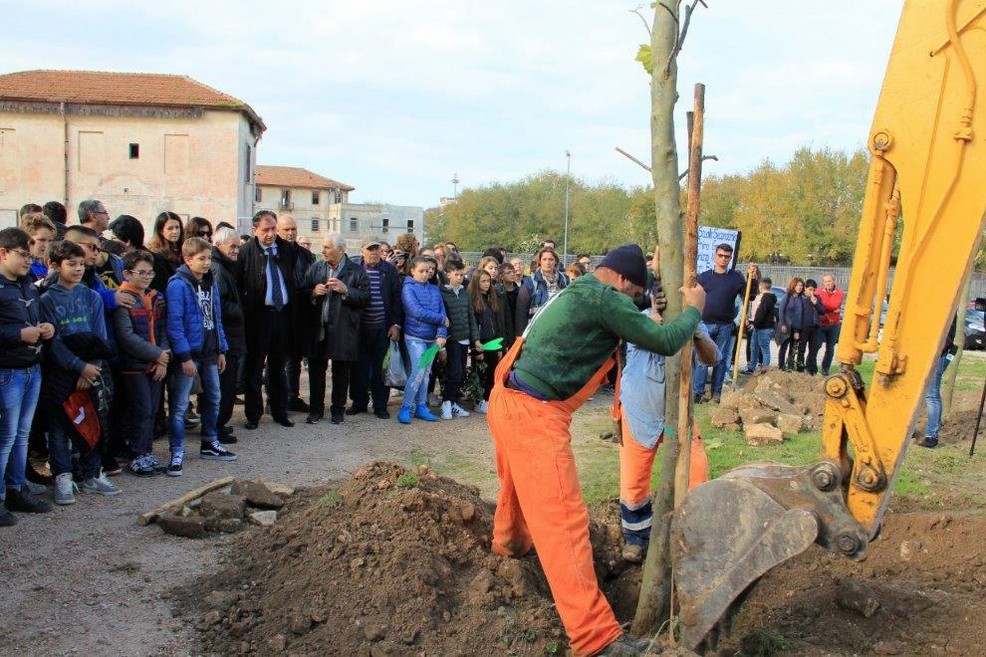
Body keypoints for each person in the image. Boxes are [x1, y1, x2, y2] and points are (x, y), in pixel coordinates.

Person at [488, 243, 705, 657]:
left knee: (516, 488)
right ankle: (596, 639)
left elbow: (628, 316)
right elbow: (664, 340)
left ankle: (507, 545)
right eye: (633, 295)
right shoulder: (607, 299)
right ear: (622, 281)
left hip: (508, 400)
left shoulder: (581, 288)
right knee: (564, 523)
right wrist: (693, 308)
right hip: (535, 415)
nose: (632, 303)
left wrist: (647, 299)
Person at [617, 296, 718, 563]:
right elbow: (660, 339)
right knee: (634, 478)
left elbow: (712, 358)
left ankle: (695, 534)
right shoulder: (640, 320)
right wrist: (660, 322)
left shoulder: (692, 320)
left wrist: (696, 334)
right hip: (641, 411)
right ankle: (636, 539)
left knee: (697, 471)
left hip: (679, 418)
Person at [40, 240, 120, 504]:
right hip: (62, 371)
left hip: (91, 370)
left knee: (93, 421)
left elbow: (100, 337)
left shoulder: (92, 296)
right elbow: (54, 342)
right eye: (71, 264)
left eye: (81, 265)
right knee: (60, 425)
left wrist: (92, 368)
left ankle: (92, 473)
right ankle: (63, 475)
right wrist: (78, 367)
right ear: (55, 266)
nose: (77, 269)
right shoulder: (47, 299)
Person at [165, 237, 233, 476]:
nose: (207, 264)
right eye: (202, 259)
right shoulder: (177, 285)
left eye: (209, 259)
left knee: (214, 397)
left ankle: (209, 442)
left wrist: (221, 348)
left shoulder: (210, 282)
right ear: (188, 259)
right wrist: (183, 357)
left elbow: (216, 318)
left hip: (210, 352)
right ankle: (177, 450)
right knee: (180, 404)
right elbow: (174, 324)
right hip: (190, 353)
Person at [0, 228, 54, 525]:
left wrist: (45, 328)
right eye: (22, 254)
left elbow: (31, 319)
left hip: (32, 367)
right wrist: (19, 334)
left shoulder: (27, 285)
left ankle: (16, 488)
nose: (28, 260)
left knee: (22, 435)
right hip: (8, 370)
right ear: (3, 253)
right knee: (5, 437)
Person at [236, 210, 300, 430]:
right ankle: (253, 414)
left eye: (274, 229)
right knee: (254, 367)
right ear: (255, 230)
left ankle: (279, 411)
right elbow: (239, 285)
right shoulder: (246, 252)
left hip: (282, 316)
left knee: (277, 367)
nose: (271, 234)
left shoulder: (285, 249)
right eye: (266, 230)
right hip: (258, 317)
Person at [302, 232, 369, 425]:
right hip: (318, 329)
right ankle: (315, 410)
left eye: (327, 247)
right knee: (316, 371)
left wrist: (346, 290)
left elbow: (365, 298)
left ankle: (337, 411)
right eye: (322, 247)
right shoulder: (316, 268)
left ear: (341, 250)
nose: (323, 251)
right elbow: (301, 293)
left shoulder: (356, 271)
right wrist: (313, 292)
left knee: (341, 373)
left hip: (343, 329)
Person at [113, 250, 170, 476]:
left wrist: (163, 359)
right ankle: (136, 453)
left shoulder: (157, 297)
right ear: (127, 274)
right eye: (141, 272)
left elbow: (163, 330)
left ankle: (147, 451)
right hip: (134, 366)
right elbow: (127, 337)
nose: (147, 277)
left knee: (153, 409)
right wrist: (156, 355)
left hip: (157, 364)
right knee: (141, 409)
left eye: (150, 272)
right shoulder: (123, 299)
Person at [348, 236, 403, 419]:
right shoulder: (354, 270)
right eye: (369, 249)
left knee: (381, 369)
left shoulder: (389, 270)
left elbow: (397, 299)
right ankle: (359, 403)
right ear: (362, 250)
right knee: (359, 369)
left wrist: (395, 325)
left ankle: (380, 406)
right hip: (360, 329)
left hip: (382, 328)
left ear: (381, 251)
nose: (373, 252)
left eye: (376, 249)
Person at [692, 243, 752, 403]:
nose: (723, 259)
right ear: (715, 256)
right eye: (720, 255)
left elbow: (749, 295)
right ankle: (697, 392)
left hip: (725, 325)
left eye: (726, 256)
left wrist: (752, 277)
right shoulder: (704, 277)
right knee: (702, 358)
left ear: (730, 258)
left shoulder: (735, 278)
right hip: (704, 323)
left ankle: (716, 393)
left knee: (720, 359)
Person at [398, 256, 448, 424]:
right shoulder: (408, 288)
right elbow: (416, 311)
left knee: (426, 374)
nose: (425, 274)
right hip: (415, 337)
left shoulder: (435, 289)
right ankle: (406, 407)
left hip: (432, 339)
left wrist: (441, 334)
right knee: (418, 372)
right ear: (412, 271)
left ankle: (420, 406)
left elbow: (443, 313)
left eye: (428, 271)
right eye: (421, 271)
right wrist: (441, 321)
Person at [277, 214, 316, 413]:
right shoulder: (273, 253)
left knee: (295, 358)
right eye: (286, 229)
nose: (291, 233)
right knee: (278, 360)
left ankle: (293, 396)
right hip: (279, 313)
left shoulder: (305, 254)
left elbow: (310, 279)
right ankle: (275, 400)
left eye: (293, 229)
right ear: (278, 230)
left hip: (301, 312)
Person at [210, 225, 244, 443]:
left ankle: (219, 424)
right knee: (224, 384)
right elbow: (219, 304)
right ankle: (216, 426)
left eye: (238, 247)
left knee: (227, 383)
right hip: (226, 336)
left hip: (230, 333)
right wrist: (243, 308)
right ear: (219, 245)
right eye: (232, 246)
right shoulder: (219, 269)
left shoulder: (225, 266)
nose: (236, 251)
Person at [439, 259, 480, 420]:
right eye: (456, 274)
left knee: (462, 373)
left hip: (465, 340)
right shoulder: (441, 293)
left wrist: (475, 339)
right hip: (451, 339)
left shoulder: (464, 292)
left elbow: (471, 317)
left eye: (462, 274)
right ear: (448, 274)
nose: (459, 277)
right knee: (454, 373)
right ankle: (446, 403)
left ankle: (454, 402)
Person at [469, 268, 505, 414]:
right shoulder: (473, 300)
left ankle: (488, 399)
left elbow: (497, 323)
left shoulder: (492, 298)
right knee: (480, 372)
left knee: (492, 371)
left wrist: (499, 346)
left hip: (493, 340)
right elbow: (473, 325)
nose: (486, 284)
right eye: (483, 281)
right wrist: (475, 347)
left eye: (488, 281)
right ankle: (479, 400)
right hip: (481, 342)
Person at [918, 318, 958, 449]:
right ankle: (922, 431)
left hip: (938, 353)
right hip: (936, 352)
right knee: (926, 394)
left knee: (932, 395)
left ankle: (932, 436)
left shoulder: (947, 305)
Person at [515, 247, 568, 335]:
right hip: (536, 331)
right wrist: (521, 336)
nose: (548, 262)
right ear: (540, 261)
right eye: (544, 259)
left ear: (556, 261)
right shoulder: (529, 282)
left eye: (551, 259)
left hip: (560, 330)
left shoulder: (565, 280)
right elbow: (521, 313)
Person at [744, 278, 777, 373]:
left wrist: (754, 323)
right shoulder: (766, 297)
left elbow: (761, 313)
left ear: (761, 286)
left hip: (764, 328)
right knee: (753, 347)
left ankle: (765, 369)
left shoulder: (766, 298)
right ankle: (751, 367)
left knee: (764, 348)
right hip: (759, 327)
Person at [147, 211, 185, 294]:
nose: (175, 231)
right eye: (170, 228)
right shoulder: (155, 254)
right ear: (161, 231)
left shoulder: (182, 250)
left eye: (177, 227)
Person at [816, 274, 846, 375]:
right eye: (825, 282)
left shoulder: (840, 293)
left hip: (833, 324)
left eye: (829, 281)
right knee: (816, 345)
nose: (827, 283)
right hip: (821, 323)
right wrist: (832, 309)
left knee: (830, 348)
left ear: (834, 281)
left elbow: (835, 304)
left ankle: (825, 369)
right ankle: (811, 368)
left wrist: (823, 306)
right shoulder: (819, 291)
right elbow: (818, 305)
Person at [20, 213, 55, 281]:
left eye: (50, 241)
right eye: (42, 240)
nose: (47, 245)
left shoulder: (54, 265)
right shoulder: (19, 266)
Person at [802, 279, 822, 375]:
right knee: (802, 348)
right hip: (805, 327)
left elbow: (822, 311)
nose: (812, 292)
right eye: (810, 289)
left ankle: (812, 369)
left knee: (813, 349)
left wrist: (816, 304)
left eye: (814, 290)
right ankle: (800, 367)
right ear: (805, 288)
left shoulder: (817, 299)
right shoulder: (802, 299)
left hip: (816, 327)